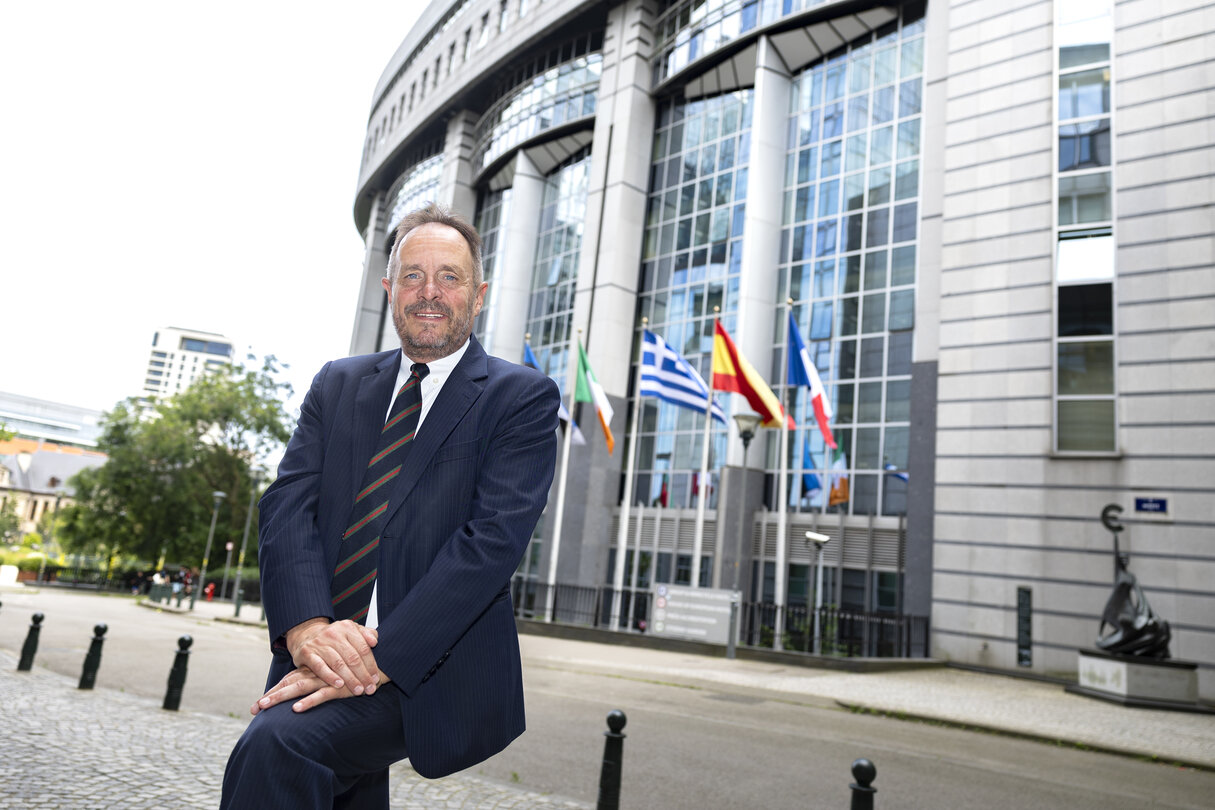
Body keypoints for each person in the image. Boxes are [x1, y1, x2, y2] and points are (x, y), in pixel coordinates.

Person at [220, 203, 560, 809]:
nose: (430, 293)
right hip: (319, 647)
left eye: (449, 277)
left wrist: (375, 662)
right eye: (412, 275)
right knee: (338, 788)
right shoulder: (337, 383)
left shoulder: (521, 397)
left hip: (423, 666)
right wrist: (305, 629)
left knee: (280, 747)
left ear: (478, 295)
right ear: (388, 288)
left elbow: (488, 546)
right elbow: (288, 508)